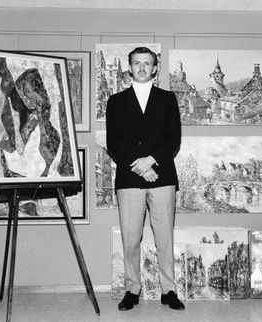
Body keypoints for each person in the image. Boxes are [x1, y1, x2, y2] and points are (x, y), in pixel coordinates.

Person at [106, 47, 184, 311]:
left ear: (154, 69)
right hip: (130, 179)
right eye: (136, 63)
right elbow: (113, 143)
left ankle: (169, 291)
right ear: (130, 68)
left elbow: (173, 138)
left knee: (164, 237)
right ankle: (132, 289)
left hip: (162, 176)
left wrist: (151, 161)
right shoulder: (115, 101)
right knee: (130, 238)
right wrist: (141, 167)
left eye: (146, 63)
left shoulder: (168, 98)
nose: (141, 67)